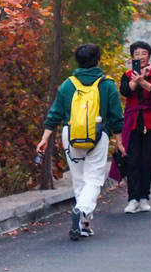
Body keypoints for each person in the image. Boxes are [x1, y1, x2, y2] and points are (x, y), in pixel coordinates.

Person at [36, 43, 124, 240]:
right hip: (98, 135)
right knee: (94, 179)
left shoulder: (68, 84)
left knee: (79, 179)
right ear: (98, 61)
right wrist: (119, 141)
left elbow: (55, 113)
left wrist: (44, 138)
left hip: (71, 135)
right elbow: (116, 116)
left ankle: (83, 224)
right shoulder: (107, 84)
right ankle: (82, 211)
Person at [109, 40, 151, 214]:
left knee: (148, 160)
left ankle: (144, 196)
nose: (140, 57)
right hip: (132, 122)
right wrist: (136, 80)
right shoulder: (127, 75)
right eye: (137, 54)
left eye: (143, 53)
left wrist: (143, 80)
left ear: (149, 56)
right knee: (132, 160)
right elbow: (125, 91)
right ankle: (132, 198)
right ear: (132, 57)